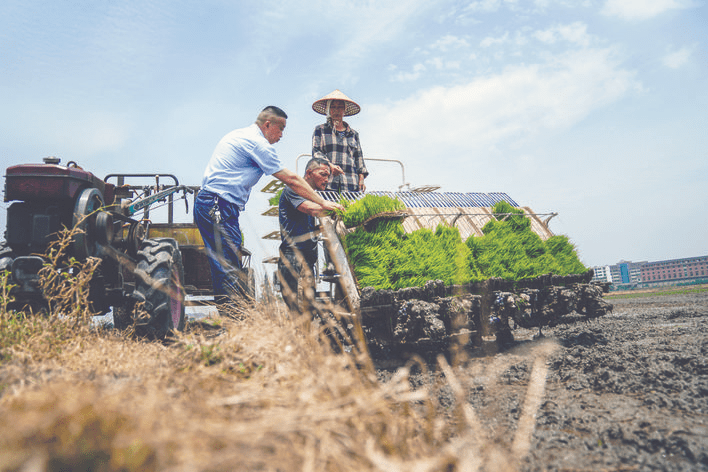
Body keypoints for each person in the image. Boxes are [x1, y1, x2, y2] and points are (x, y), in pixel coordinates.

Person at [194, 106, 344, 305]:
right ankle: (235, 325)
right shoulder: (257, 143)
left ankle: (236, 321)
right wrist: (323, 202)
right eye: (280, 128)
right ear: (267, 124)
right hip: (218, 204)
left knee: (229, 265)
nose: (282, 135)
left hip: (219, 205)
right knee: (228, 268)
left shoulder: (240, 135)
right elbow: (290, 179)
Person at [277, 157, 332, 312]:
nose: (326, 179)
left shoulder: (311, 195)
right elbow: (311, 209)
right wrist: (339, 210)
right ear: (309, 173)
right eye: (323, 174)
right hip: (294, 256)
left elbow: (308, 227)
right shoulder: (292, 190)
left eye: (328, 175)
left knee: (308, 309)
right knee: (297, 307)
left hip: (308, 259)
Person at [312, 90, 368, 193]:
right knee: (328, 209)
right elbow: (316, 153)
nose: (336, 110)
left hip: (350, 184)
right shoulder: (320, 130)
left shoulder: (353, 134)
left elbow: (359, 158)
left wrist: (361, 179)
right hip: (327, 183)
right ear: (329, 110)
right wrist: (330, 166)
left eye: (340, 107)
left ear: (344, 110)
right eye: (333, 107)